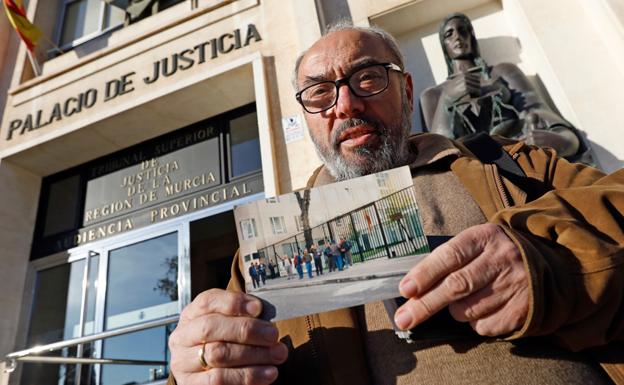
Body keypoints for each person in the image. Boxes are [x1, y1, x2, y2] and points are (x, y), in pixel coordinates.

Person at [167, 22, 623, 385]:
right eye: (320, 93)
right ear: (305, 115)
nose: (345, 105)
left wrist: (551, 257)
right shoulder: (265, 249)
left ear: (406, 89)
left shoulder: (510, 163)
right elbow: (219, 363)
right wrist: (198, 365)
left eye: (367, 78)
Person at [420, 13, 591, 164]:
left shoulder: (503, 71)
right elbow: (437, 155)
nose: (457, 37)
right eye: (449, 34)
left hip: (523, 156)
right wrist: (448, 99)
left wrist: (564, 141)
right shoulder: (433, 95)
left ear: (471, 36)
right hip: (478, 174)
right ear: (443, 45)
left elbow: (540, 113)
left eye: (463, 30)